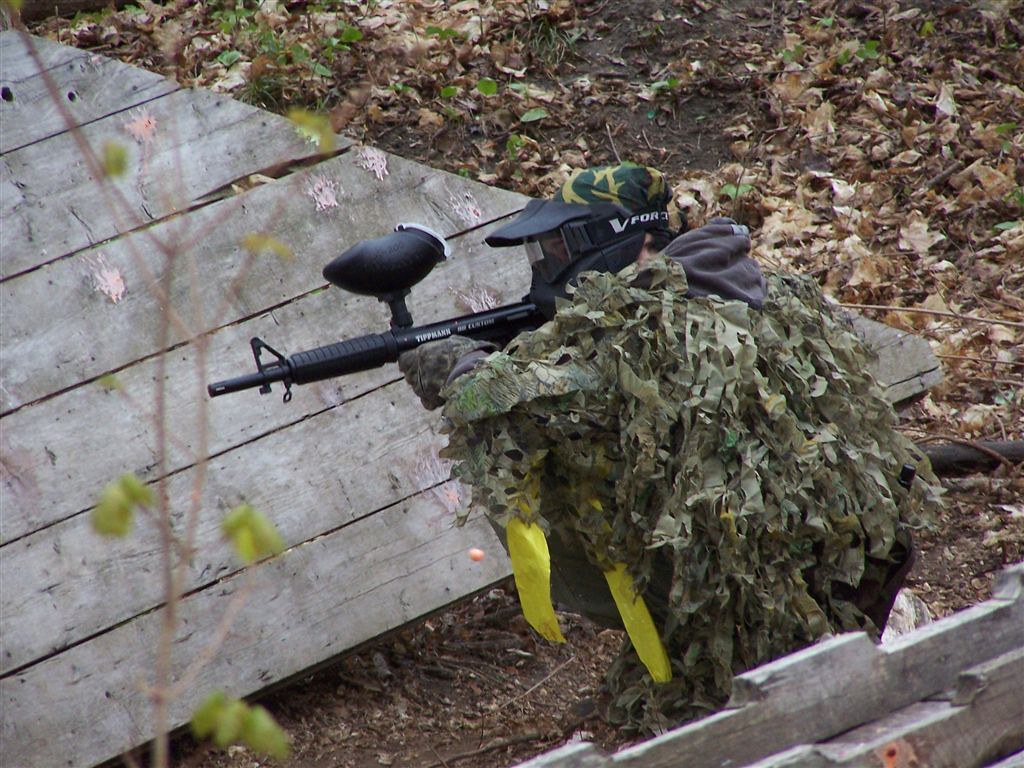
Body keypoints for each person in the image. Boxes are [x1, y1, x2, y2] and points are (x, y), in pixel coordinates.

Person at [399, 163, 936, 731]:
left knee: (548, 468)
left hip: (768, 590)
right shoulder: (753, 285)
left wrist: (457, 364)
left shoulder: (655, 325)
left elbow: (503, 401)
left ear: (629, 243)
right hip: (847, 558)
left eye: (558, 250)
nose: (547, 268)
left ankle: (753, 653)